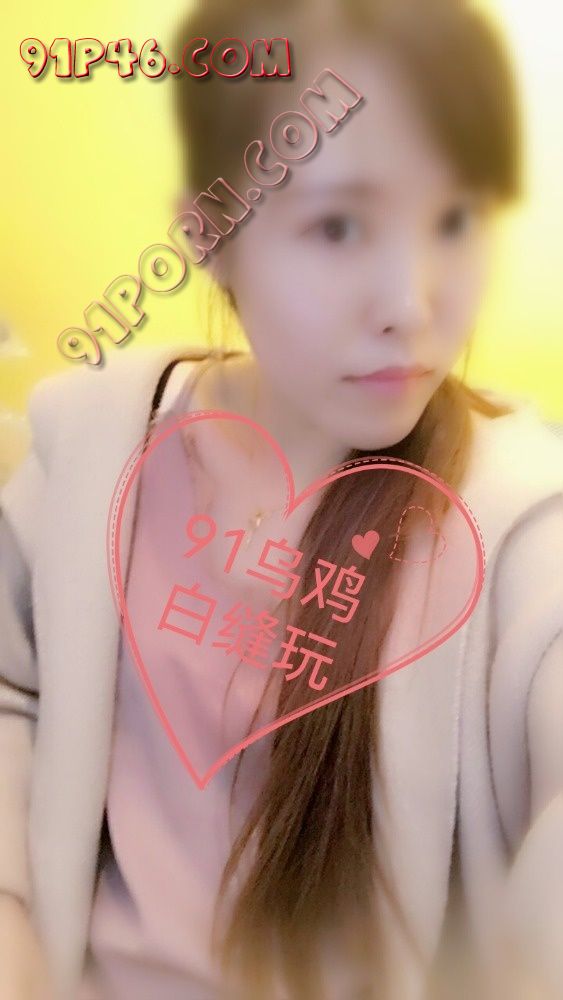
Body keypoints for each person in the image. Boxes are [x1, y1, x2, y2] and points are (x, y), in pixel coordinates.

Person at [1, 1, 563, 998]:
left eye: (453, 220)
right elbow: (12, 692)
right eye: (338, 226)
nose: (410, 305)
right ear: (208, 235)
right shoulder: (93, 445)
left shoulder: (518, 520)